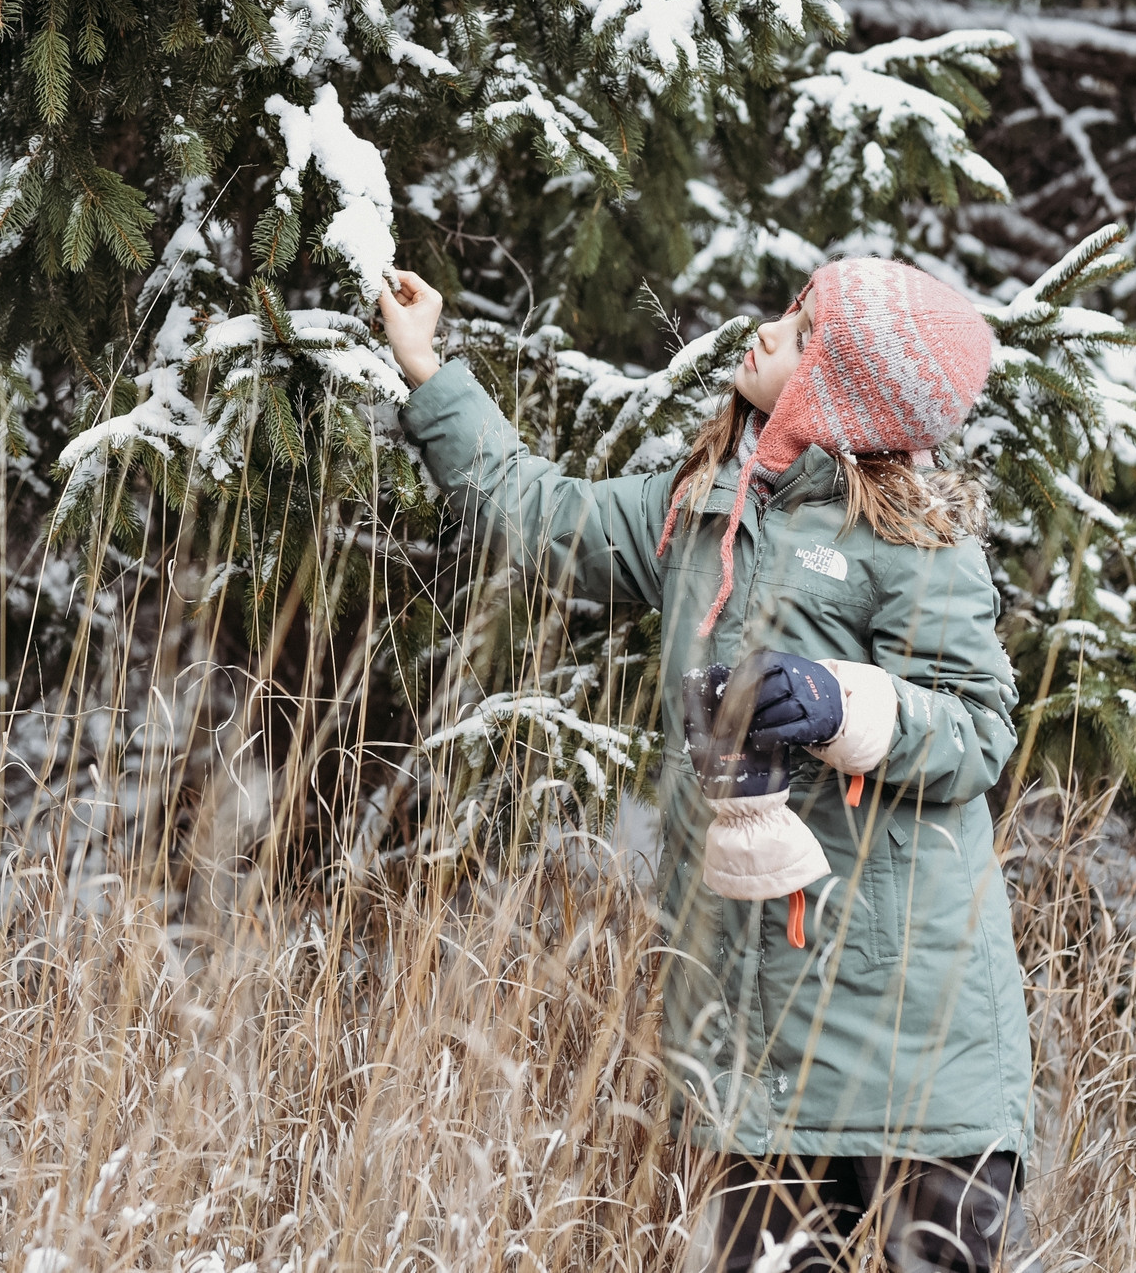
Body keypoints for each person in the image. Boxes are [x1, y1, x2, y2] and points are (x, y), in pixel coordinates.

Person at [379, 259, 1040, 1272]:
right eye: (783, 315)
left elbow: (978, 730)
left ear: (844, 389)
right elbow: (540, 515)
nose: (767, 334)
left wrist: (839, 704)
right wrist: (429, 371)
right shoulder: (699, 510)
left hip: (916, 1034)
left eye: (802, 332)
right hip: (751, 1026)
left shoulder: (910, 542)